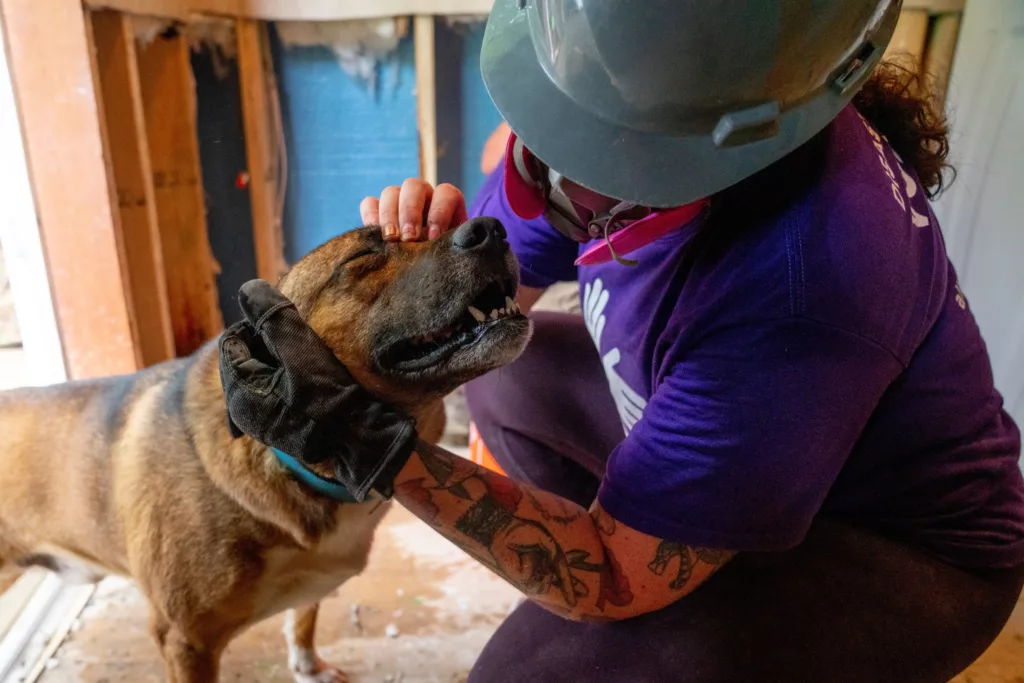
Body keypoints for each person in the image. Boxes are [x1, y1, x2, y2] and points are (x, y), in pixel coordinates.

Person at [219, 1, 1024, 681]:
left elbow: (607, 571)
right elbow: (509, 286)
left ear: (703, 149)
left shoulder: (798, 289)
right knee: (509, 378)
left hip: (900, 553)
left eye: (601, 142)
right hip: (767, 453)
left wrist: (374, 448)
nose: (550, 158)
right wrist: (427, 270)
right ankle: (673, 552)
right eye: (556, 114)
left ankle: (689, 592)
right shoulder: (644, 107)